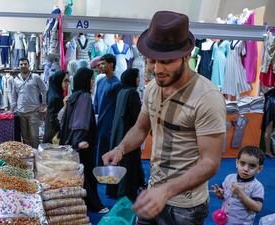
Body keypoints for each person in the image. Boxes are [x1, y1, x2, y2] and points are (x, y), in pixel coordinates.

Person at [102, 11, 226, 224]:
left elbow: (210, 162)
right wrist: (120, 149)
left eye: (166, 61)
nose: (157, 69)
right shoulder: (153, 89)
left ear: (186, 56)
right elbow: (141, 128)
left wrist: (167, 191)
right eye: (152, 61)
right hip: (153, 194)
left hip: (186, 206)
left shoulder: (207, 97)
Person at [59, 67, 108, 213]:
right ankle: (95, 205)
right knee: (85, 173)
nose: (93, 81)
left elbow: (64, 120)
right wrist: (80, 140)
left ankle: (83, 202)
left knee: (79, 173)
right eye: (91, 79)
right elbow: (81, 120)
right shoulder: (85, 96)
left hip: (73, 142)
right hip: (83, 144)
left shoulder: (74, 95)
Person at [106, 68, 145, 201]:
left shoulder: (122, 92)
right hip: (129, 133)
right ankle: (126, 193)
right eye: (137, 77)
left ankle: (114, 189)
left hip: (119, 132)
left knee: (120, 162)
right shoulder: (132, 93)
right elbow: (137, 118)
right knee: (129, 163)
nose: (139, 80)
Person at [212, 146, 265, 225]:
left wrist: (240, 194)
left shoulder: (257, 186)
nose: (246, 169)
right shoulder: (229, 178)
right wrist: (220, 194)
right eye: (242, 163)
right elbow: (224, 196)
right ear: (237, 163)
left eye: (252, 166)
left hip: (242, 222)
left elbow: (257, 208)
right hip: (224, 220)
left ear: (259, 169)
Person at [11, 57, 47, 148]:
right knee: (25, 137)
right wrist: (13, 109)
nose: (23, 66)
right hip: (21, 113)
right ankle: (28, 159)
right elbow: (14, 95)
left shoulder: (35, 77)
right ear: (18, 66)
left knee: (34, 137)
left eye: (25, 64)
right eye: (21, 64)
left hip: (34, 112)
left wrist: (43, 104)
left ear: (28, 65)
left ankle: (36, 158)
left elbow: (45, 90)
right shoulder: (15, 80)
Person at [94, 53, 121, 166]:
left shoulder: (117, 84)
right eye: (100, 64)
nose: (100, 66)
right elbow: (96, 101)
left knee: (108, 151)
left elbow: (118, 107)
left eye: (103, 64)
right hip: (100, 121)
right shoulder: (100, 81)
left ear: (111, 64)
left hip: (110, 123)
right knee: (99, 149)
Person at [43, 70, 69, 143]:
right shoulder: (55, 98)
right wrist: (65, 107)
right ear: (59, 80)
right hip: (53, 137)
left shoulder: (54, 93)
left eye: (68, 81)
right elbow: (55, 121)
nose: (67, 84)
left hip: (51, 134)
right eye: (65, 81)